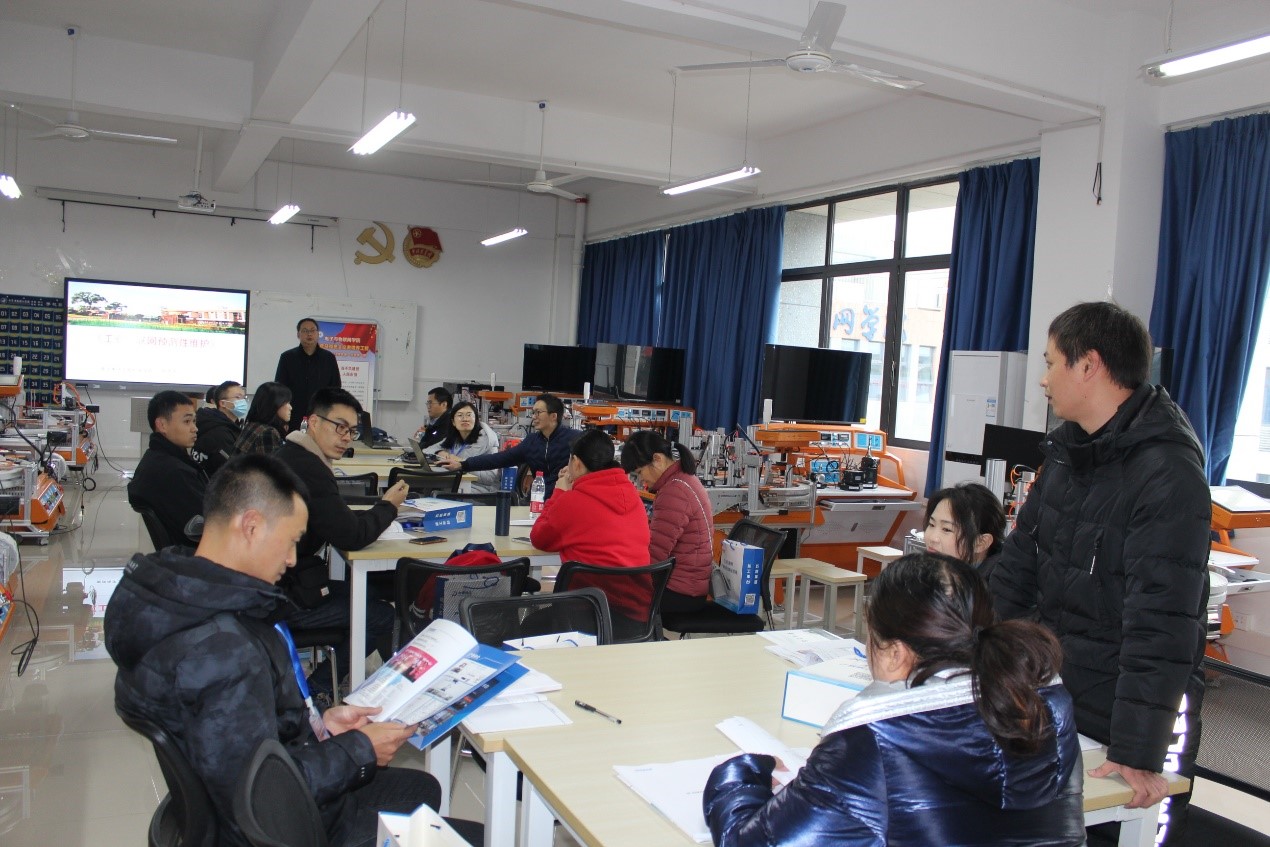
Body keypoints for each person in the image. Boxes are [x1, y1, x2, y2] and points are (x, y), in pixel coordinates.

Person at [106, 454, 444, 847]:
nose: (291, 559)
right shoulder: (222, 649)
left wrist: (321, 728)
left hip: (239, 803)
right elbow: (262, 796)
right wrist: (359, 750)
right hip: (285, 829)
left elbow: (236, 743)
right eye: (291, 541)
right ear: (250, 526)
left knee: (420, 790)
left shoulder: (179, 597)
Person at [991, 301, 1210, 831]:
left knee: (1126, 829)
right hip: (1062, 687)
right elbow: (1017, 568)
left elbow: (1162, 622)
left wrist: (1138, 748)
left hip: (1132, 709)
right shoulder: (1068, 454)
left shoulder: (1167, 473)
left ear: (1088, 365)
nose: (1043, 379)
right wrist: (972, 663)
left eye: (1050, 363)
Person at [704, 552, 1085, 847]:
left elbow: (752, 842)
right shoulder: (1044, 706)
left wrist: (741, 775)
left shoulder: (872, 741)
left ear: (894, 653)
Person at [275, 387, 408, 702]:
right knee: (383, 616)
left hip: (288, 583)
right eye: (339, 427)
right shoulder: (309, 468)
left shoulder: (294, 454)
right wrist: (388, 506)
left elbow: (334, 519)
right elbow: (351, 536)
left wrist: (368, 514)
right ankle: (316, 689)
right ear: (313, 422)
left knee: (368, 593)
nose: (346, 437)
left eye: (352, 431)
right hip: (285, 599)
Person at [530, 428, 652, 622]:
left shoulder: (572, 501)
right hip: (635, 617)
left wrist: (559, 492)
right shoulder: (634, 497)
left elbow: (539, 538)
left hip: (584, 614)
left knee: (529, 624)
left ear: (577, 463)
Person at [620, 430, 712, 613]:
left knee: (611, 595)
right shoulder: (684, 479)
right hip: (689, 586)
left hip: (680, 593)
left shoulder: (674, 491)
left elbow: (655, 556)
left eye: (640, 472)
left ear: (657, 459)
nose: (642, 480)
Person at [438, 393, 581, 499]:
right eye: (533, 413)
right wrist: (463, 465)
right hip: (537, 501)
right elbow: (499, 459)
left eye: (538, 412)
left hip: (566, 499)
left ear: (553, 416)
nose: (533, 417)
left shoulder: (575, 439)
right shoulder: (531, 442)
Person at [128, 390, 206, 547]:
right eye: (187, 421)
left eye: (194, 421)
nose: (194, 428)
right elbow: (208, 524)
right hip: (198, 551)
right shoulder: (174, 472)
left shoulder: (156, 458)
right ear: (162, 425)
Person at [921, 481, 1006, 580]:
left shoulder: (996, 586)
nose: (932, 538)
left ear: (981, 543)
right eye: (931, 524)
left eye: (947, 529)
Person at [275, 317, 342, 431]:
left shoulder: (328, 358)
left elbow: (335, 388)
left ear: (318, 334)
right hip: (293, 416)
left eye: (312, 330)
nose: (309, 334)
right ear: (298, 334)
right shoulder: (287, 357)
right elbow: (280, 389)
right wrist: (282, 420)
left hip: (320, 416)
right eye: (305, 331)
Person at [423, 401, 501, 492]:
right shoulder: (455, 438)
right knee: (429, 489)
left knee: (438, 492)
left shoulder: (488, 441)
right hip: (456, 482)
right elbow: (426, 450)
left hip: (480, 488)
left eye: (469, 415)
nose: (465, 419)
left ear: (476, 419)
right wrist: (439, 452)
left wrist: (462, 464)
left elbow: (490, 478)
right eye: (460, 415)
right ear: (453, 422)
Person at [193, 380, 246, 476]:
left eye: (244, 397)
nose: (243, 402)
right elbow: (232, 470)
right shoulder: (219, 432)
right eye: (238, 397)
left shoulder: (229, 426)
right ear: (222, 403)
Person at [233, 381, 293, 456]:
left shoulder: (252, 425)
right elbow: (271, 463)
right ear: (274, 404)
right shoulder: (267, 432)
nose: (291, 407)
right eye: (287, 403)